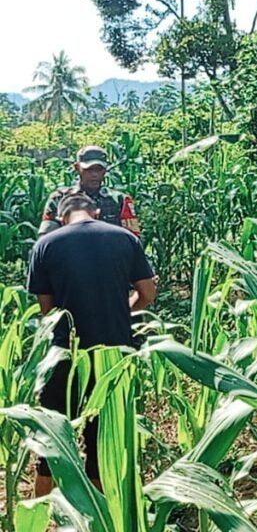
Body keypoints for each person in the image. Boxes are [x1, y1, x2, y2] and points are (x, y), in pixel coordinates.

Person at [27, 193, 157, 496]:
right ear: (96, 213)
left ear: (61, 218)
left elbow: (49, 312)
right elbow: (148, 294)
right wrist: (118, 307)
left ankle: (43, 514)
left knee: (52, 439)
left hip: (66, 355)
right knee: (103, 442)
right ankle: (99, 517)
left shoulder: (45, 245)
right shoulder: (125, 239)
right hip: (114, 355)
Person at [38, 145, 141, 237]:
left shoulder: (119, 200)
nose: (94, 174)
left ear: (105, 170)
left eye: (99, 169)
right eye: (89, 170)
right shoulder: (59, 199)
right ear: (77, 168)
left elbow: (132, 239)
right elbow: (46, 238)